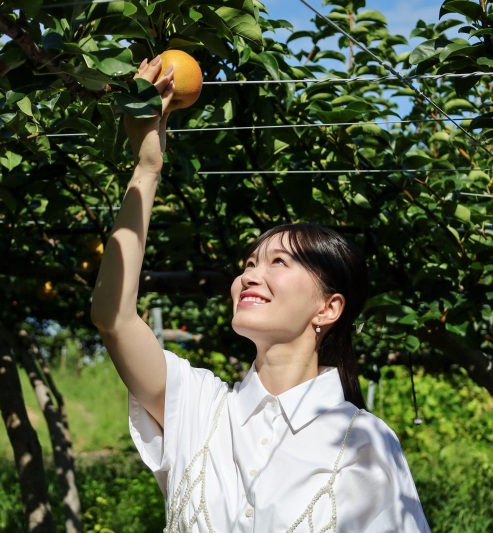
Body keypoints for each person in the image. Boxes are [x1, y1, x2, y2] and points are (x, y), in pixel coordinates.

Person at [91, 55, 431, 533]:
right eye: (249, 264)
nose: (250, 275)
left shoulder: (364, 443)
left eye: (278, 263)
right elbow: (114, 318)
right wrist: (147, 167)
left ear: (328, 308)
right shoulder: (199, 407)